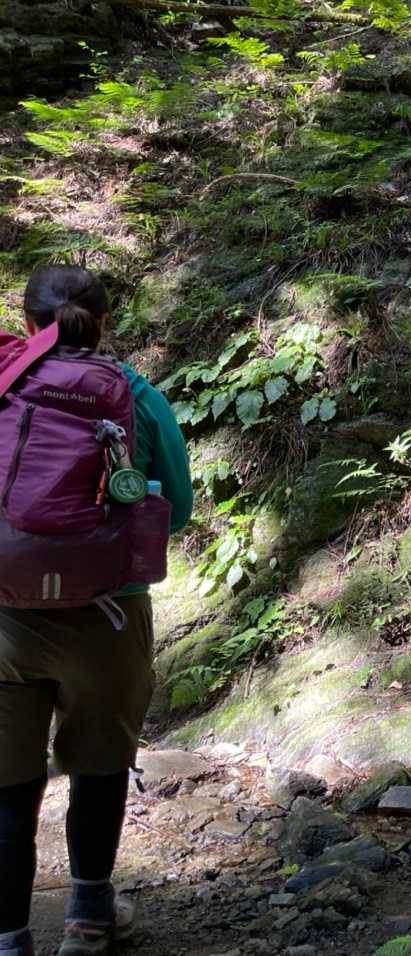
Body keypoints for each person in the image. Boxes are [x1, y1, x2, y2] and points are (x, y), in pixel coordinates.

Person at [0, 265, 193, 956]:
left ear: (27, 322)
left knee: (7, 786)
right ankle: (87, 921)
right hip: (108, 616)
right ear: (105, 322)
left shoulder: (3, 384)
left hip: (3, 619)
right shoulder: (137, 396)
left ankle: (9, 940)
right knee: (101, 764)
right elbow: (178, 511)